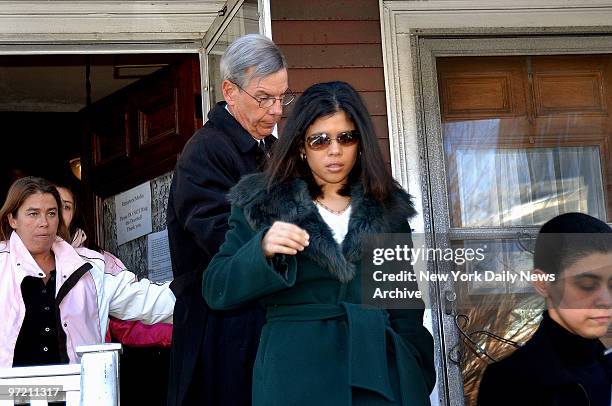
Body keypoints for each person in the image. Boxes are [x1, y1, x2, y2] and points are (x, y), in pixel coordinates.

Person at [203, 81, 436, 405]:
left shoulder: (386, 208)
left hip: (377, 376)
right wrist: (262, 250)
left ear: (361, 142)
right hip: (294, 377)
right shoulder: (262, 202)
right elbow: (216, 288)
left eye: (346, 137)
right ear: (301, 145)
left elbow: (405, 310)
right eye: (320, 140)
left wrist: (414, 369)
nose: (335, 150)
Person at [166, 33, 293, 406]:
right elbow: (226, 244)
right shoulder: (206, 151)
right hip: (220, 333)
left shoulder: (268, 149)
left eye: (281, 97)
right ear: (230, 90)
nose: (276, 111)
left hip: (257, 327)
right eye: (264, 97)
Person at [0, 176, 175, 368]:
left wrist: (201, 291)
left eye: (51, 213)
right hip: (11, 395)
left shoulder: (91, 266)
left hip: (78, 393)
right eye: (33, 214)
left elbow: (146, 300)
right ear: (12, 219)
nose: (44, 222)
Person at [478, 212, 612, 406]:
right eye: (587, 285)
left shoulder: (605, 367)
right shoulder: (511, 382)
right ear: (543, 283)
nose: (606, 301)